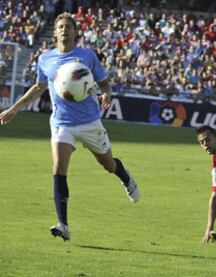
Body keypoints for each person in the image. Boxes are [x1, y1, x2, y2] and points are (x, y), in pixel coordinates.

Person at [0, 13, 140, 241]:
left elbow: (105, 83)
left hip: (90, 121)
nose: (64, 29)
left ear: (75, 32)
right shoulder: (45, 59)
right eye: (60, 26)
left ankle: (126, 178)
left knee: (108, 164)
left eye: (68, 26)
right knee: (58, 167)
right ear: (54, 33)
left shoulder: (87, 56)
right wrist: (15, 108)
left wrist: (106, 93)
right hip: (61, 122)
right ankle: (63, 224)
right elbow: (38, 87)